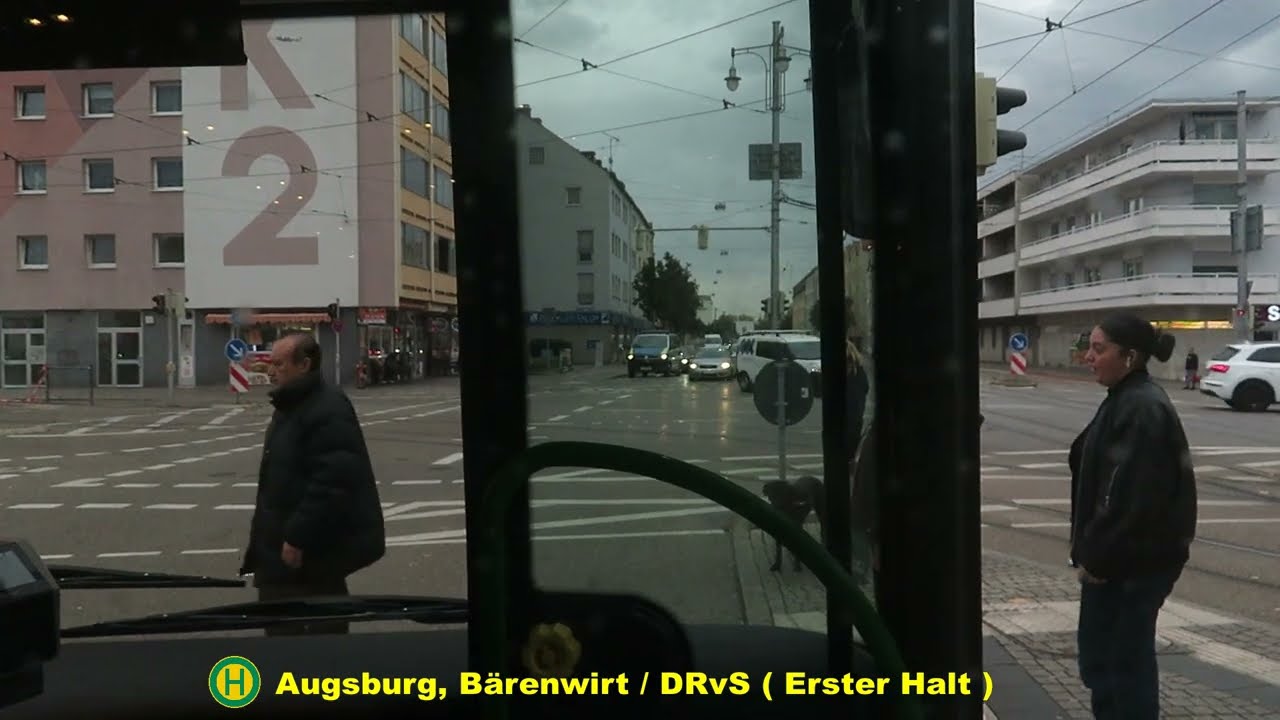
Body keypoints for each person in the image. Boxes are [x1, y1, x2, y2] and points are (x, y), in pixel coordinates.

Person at [1069, 311, 1198, 719]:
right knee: (1108, 662)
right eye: (1089, 347)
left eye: (1098, 349)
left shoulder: (1140, 407)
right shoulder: (1125, 398)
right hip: (1124, 560)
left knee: (1121, 666)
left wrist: (1097, 560)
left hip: (1128, 565)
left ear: (1129, 356)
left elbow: (1129, 495)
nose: (1088, 357)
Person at [239, 332, 386, 635]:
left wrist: (297, 537)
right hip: (286, 546)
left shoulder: (326, 407)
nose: (272, 371)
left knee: (312, 628)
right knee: (293, 623)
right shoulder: (293, 403)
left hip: (307, 551)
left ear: (304, 365)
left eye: (279, 364)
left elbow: (333, 480)